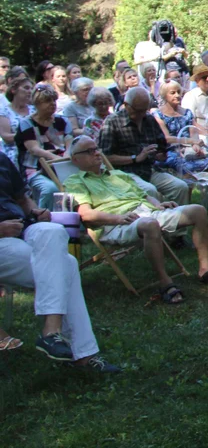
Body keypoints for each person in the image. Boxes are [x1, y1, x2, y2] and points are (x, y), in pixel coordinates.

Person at [66, 136, 208, 303]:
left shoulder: (118, 174)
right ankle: (165, 282)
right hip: (115, 224)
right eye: (89, 151)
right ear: (75, 159)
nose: (96, 153)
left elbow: (143, 195)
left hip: (146, 213)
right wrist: (118, 218)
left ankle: (204, 269)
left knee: (198, 211)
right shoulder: (75, 182)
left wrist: (159, 204)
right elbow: (85, 214)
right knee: (150, 225)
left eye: (96, 149)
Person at [0, 152, 119, 370]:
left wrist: (35, 210)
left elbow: (21, 199)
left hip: (21, 228)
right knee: (67, 265)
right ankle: (83, 354)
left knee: (53, 231)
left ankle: (51, 331)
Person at [97, 88, 190, 207]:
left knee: (180, 187)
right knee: (149, 190)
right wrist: (135, 158)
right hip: (125, 173)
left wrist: (161, 154)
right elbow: (105, 157)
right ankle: (159, 221)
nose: (141, 115)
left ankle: (180, 221)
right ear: (126, 105)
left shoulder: (149, 119)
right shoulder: (112, 122)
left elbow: (161, 145)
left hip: (149, 169)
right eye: (138, 111)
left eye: (144, 110)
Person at [16, 85, 71, 207]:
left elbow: (69, 143)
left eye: (53, 100)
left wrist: (66, 158)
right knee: (50, 189)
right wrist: (57, 159)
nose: (52, 104)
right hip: (35, 169)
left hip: (63, 166)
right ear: (37, 104)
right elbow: (34, 149)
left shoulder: (62, 121)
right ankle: (44, 218)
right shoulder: (26, 123)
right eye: (47, 101)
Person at [153, 80, 208, 174]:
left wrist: (196, 145)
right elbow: (167, 139)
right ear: (164, 95)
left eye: (179, 92)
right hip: (169, 150)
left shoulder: (187, 112)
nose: (177, 95)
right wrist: (190, 141)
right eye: (172, 93)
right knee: (184, 165)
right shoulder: (158, 114)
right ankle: (187, 187)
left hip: (189, 148)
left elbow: (193, 132)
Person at [1, 76, 34, 166]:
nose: (30, 91)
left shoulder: (34, 110)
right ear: (13, 90)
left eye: (31, 89)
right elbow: (6, 137)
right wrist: (28, 136)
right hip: (13, 150)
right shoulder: (4, 111)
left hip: (35, 148)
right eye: (26, 88)